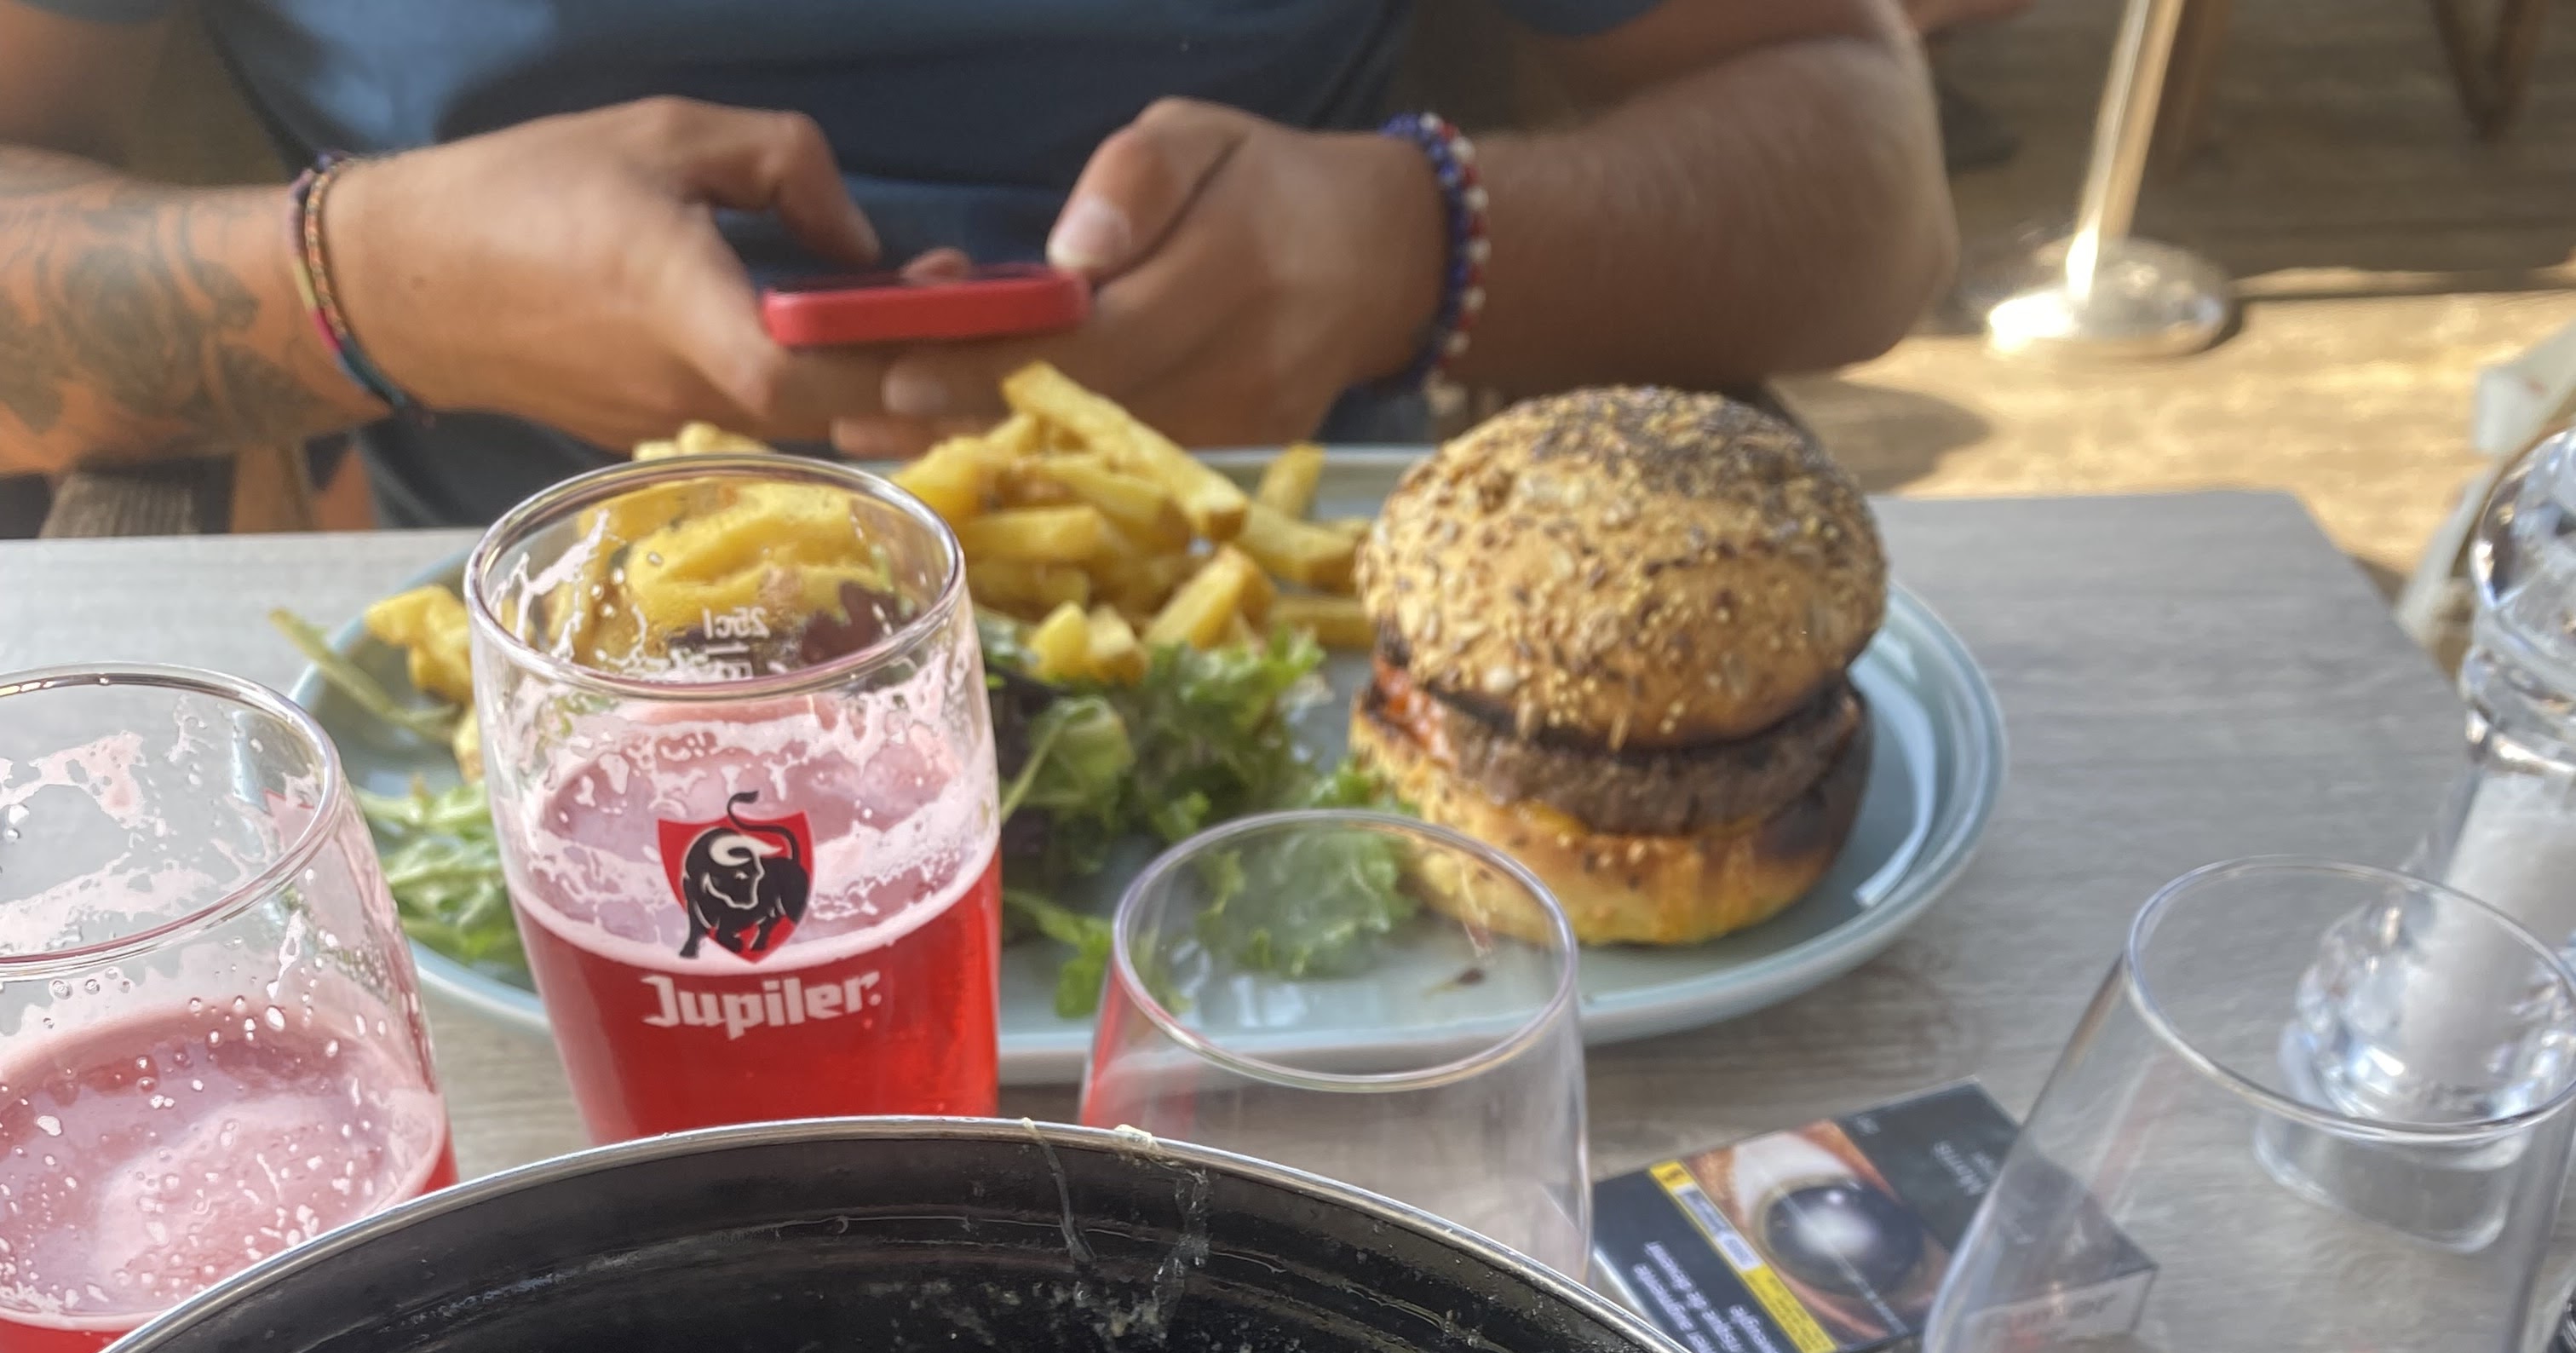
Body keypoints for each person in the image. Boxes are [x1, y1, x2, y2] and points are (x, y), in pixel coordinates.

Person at [0, 0, 1953, 527]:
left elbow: (1871, 177)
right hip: (517, 743)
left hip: (1305, 707)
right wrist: (364, 284)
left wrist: (1409, 240)